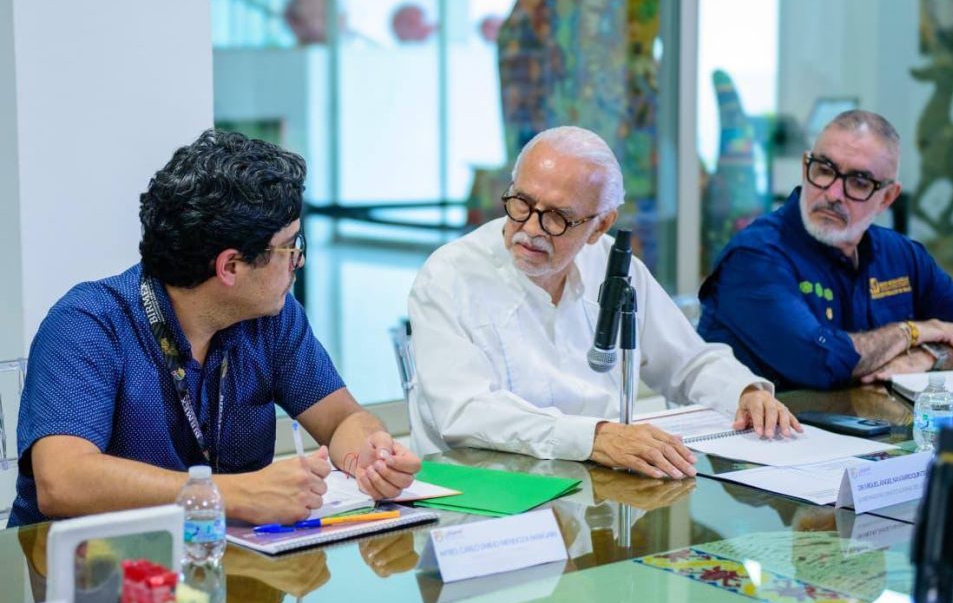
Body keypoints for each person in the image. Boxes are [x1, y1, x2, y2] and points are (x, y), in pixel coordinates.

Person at [9, 129, 420, 527]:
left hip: (224, 558)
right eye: (290, 246)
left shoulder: (271, 318)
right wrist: (235, 494)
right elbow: (62, 479)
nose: (299, 261)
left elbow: (340, 418)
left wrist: (369, 453)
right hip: (86, 566)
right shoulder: (88, 324)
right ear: (230, 266)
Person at [408, 126, 800, 480]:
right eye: (522, 203)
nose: (530, 228)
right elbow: (465, 412)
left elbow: (686, 362)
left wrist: (745, 393)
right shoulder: (450, 275)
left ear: (600, 225)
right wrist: (594, 437)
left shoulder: (614, 266)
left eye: (557, 217)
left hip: (597, 490)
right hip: (486, 493)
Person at [698, 110, 953, 390]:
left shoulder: (901, 255)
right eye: (824, 170)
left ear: (887, 198)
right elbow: (818, 361)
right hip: (766, 434)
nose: (834, 194)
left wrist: (929, 358)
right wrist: (910, 332)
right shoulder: (755, 256)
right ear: (806, 167)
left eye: (859, 182)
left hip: (875, 428)